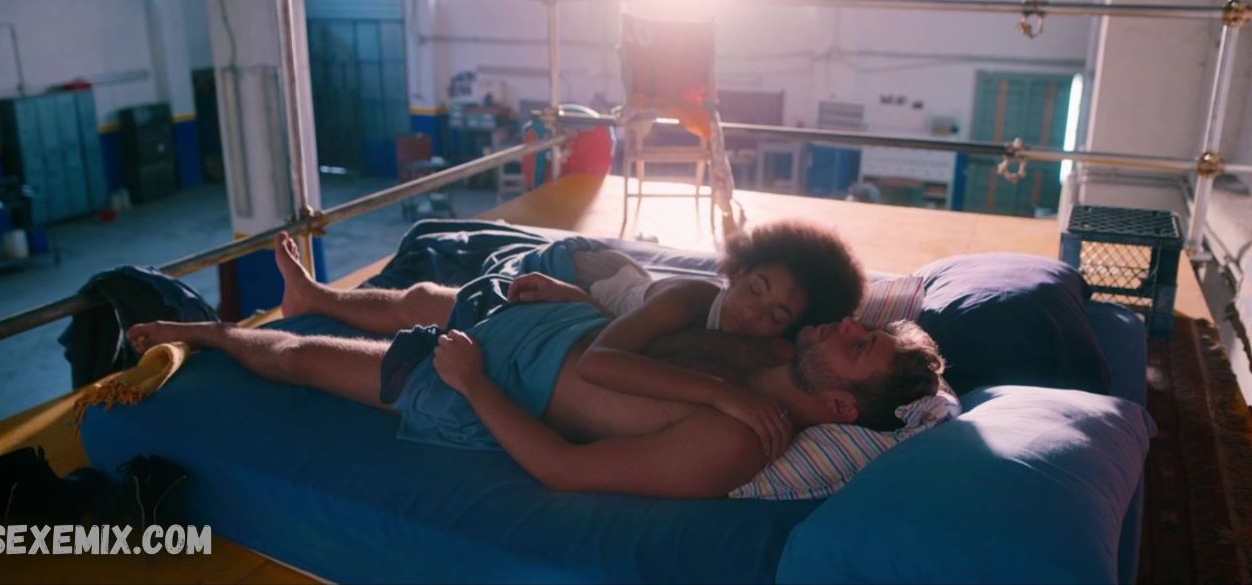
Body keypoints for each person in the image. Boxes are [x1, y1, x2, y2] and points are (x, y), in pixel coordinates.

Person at [127, 279, 941, 500]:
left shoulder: (735, 442)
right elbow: (630, 336)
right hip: (546, 326)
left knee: (304, 358)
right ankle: (313, 294)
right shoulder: (762, 346)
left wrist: (474, 384)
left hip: (495, 383)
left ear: (842, 408)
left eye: (859, 344)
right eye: (858, 325)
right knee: (417, 296)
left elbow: (563, 469)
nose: (845, 325)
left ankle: (205, 333)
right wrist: (578, 299)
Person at [272, 221, 866, 456]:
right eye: (755, 288)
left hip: (578, 327)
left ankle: (314, 302)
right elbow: (612, 343)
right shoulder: (689, 299)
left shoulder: (760, 356)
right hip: (593, 281)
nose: (754, 312)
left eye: (776, 314)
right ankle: (316, 297)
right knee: (429, 299)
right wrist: (574, 296)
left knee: (431, 310)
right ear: (735, 273)